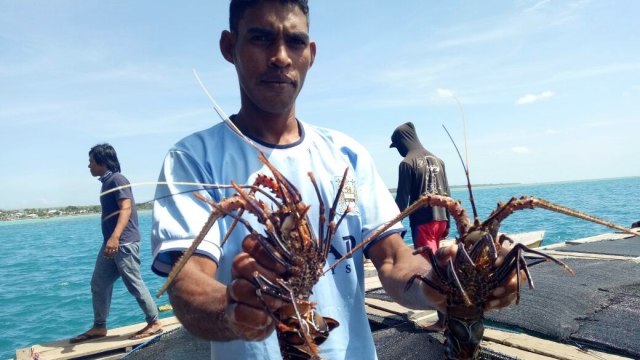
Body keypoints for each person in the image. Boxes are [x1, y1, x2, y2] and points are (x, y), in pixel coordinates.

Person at [150, 1, 520, 359]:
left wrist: (437, 280)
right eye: (261, 38)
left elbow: (393, 260)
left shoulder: (347, 155)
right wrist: (233, 308)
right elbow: (187, 282)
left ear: (310, 53)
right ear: (230, 47)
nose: (280, 56)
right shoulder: (191, 159)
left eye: (294, 41)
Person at [70, 144, 162, 343]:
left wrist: (115, 237)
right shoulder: (106, 182)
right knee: (99, 283)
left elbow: (126, 208)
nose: (89, 166)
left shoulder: (117, 179)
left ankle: (154, 322)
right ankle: (99, 326)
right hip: (111, 243)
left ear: (102, 162)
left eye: (91, 162)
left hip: (123, 243)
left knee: (133, 282)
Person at [390, 121, 451, 332]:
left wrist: (393, 227)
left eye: (396, 146)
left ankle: (443, 321)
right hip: (441, 219)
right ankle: (447, 315)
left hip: (423, 222)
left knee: (432, 272)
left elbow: (402, 199)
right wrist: (449, 221)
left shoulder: (407, 163)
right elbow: (448, 193)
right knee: (440, 266)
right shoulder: (438, 160)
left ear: (401, 143)